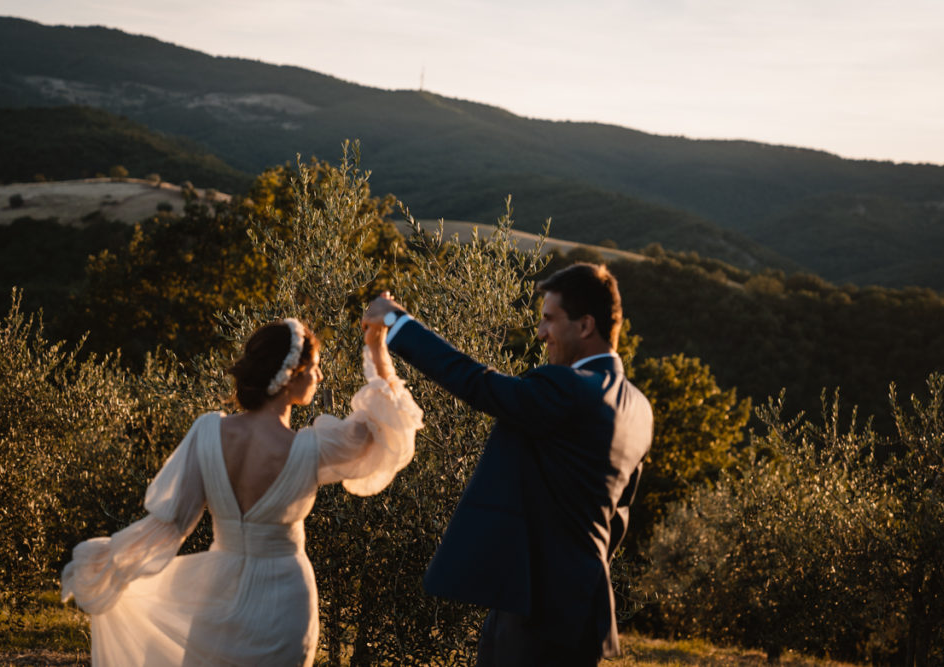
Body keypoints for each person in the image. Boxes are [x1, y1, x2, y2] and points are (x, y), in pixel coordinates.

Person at [61, 316, 422, 666]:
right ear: (290, 376)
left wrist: (114, 559)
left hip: (217, 591)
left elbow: (173, 525)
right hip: (286, 601)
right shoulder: (312, 449)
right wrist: (376, 349)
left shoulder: (207, 433)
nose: (320, 375)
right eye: (314, 366)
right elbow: (383, 427)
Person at [363, 262, 653, 666]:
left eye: (550, 320)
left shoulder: (567, 388)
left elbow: (478, 384)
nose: (541, 333)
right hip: (585, 610)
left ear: (586, 326)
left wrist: (396, 322)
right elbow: (618, 515)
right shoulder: (640, 409)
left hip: (536, 608)